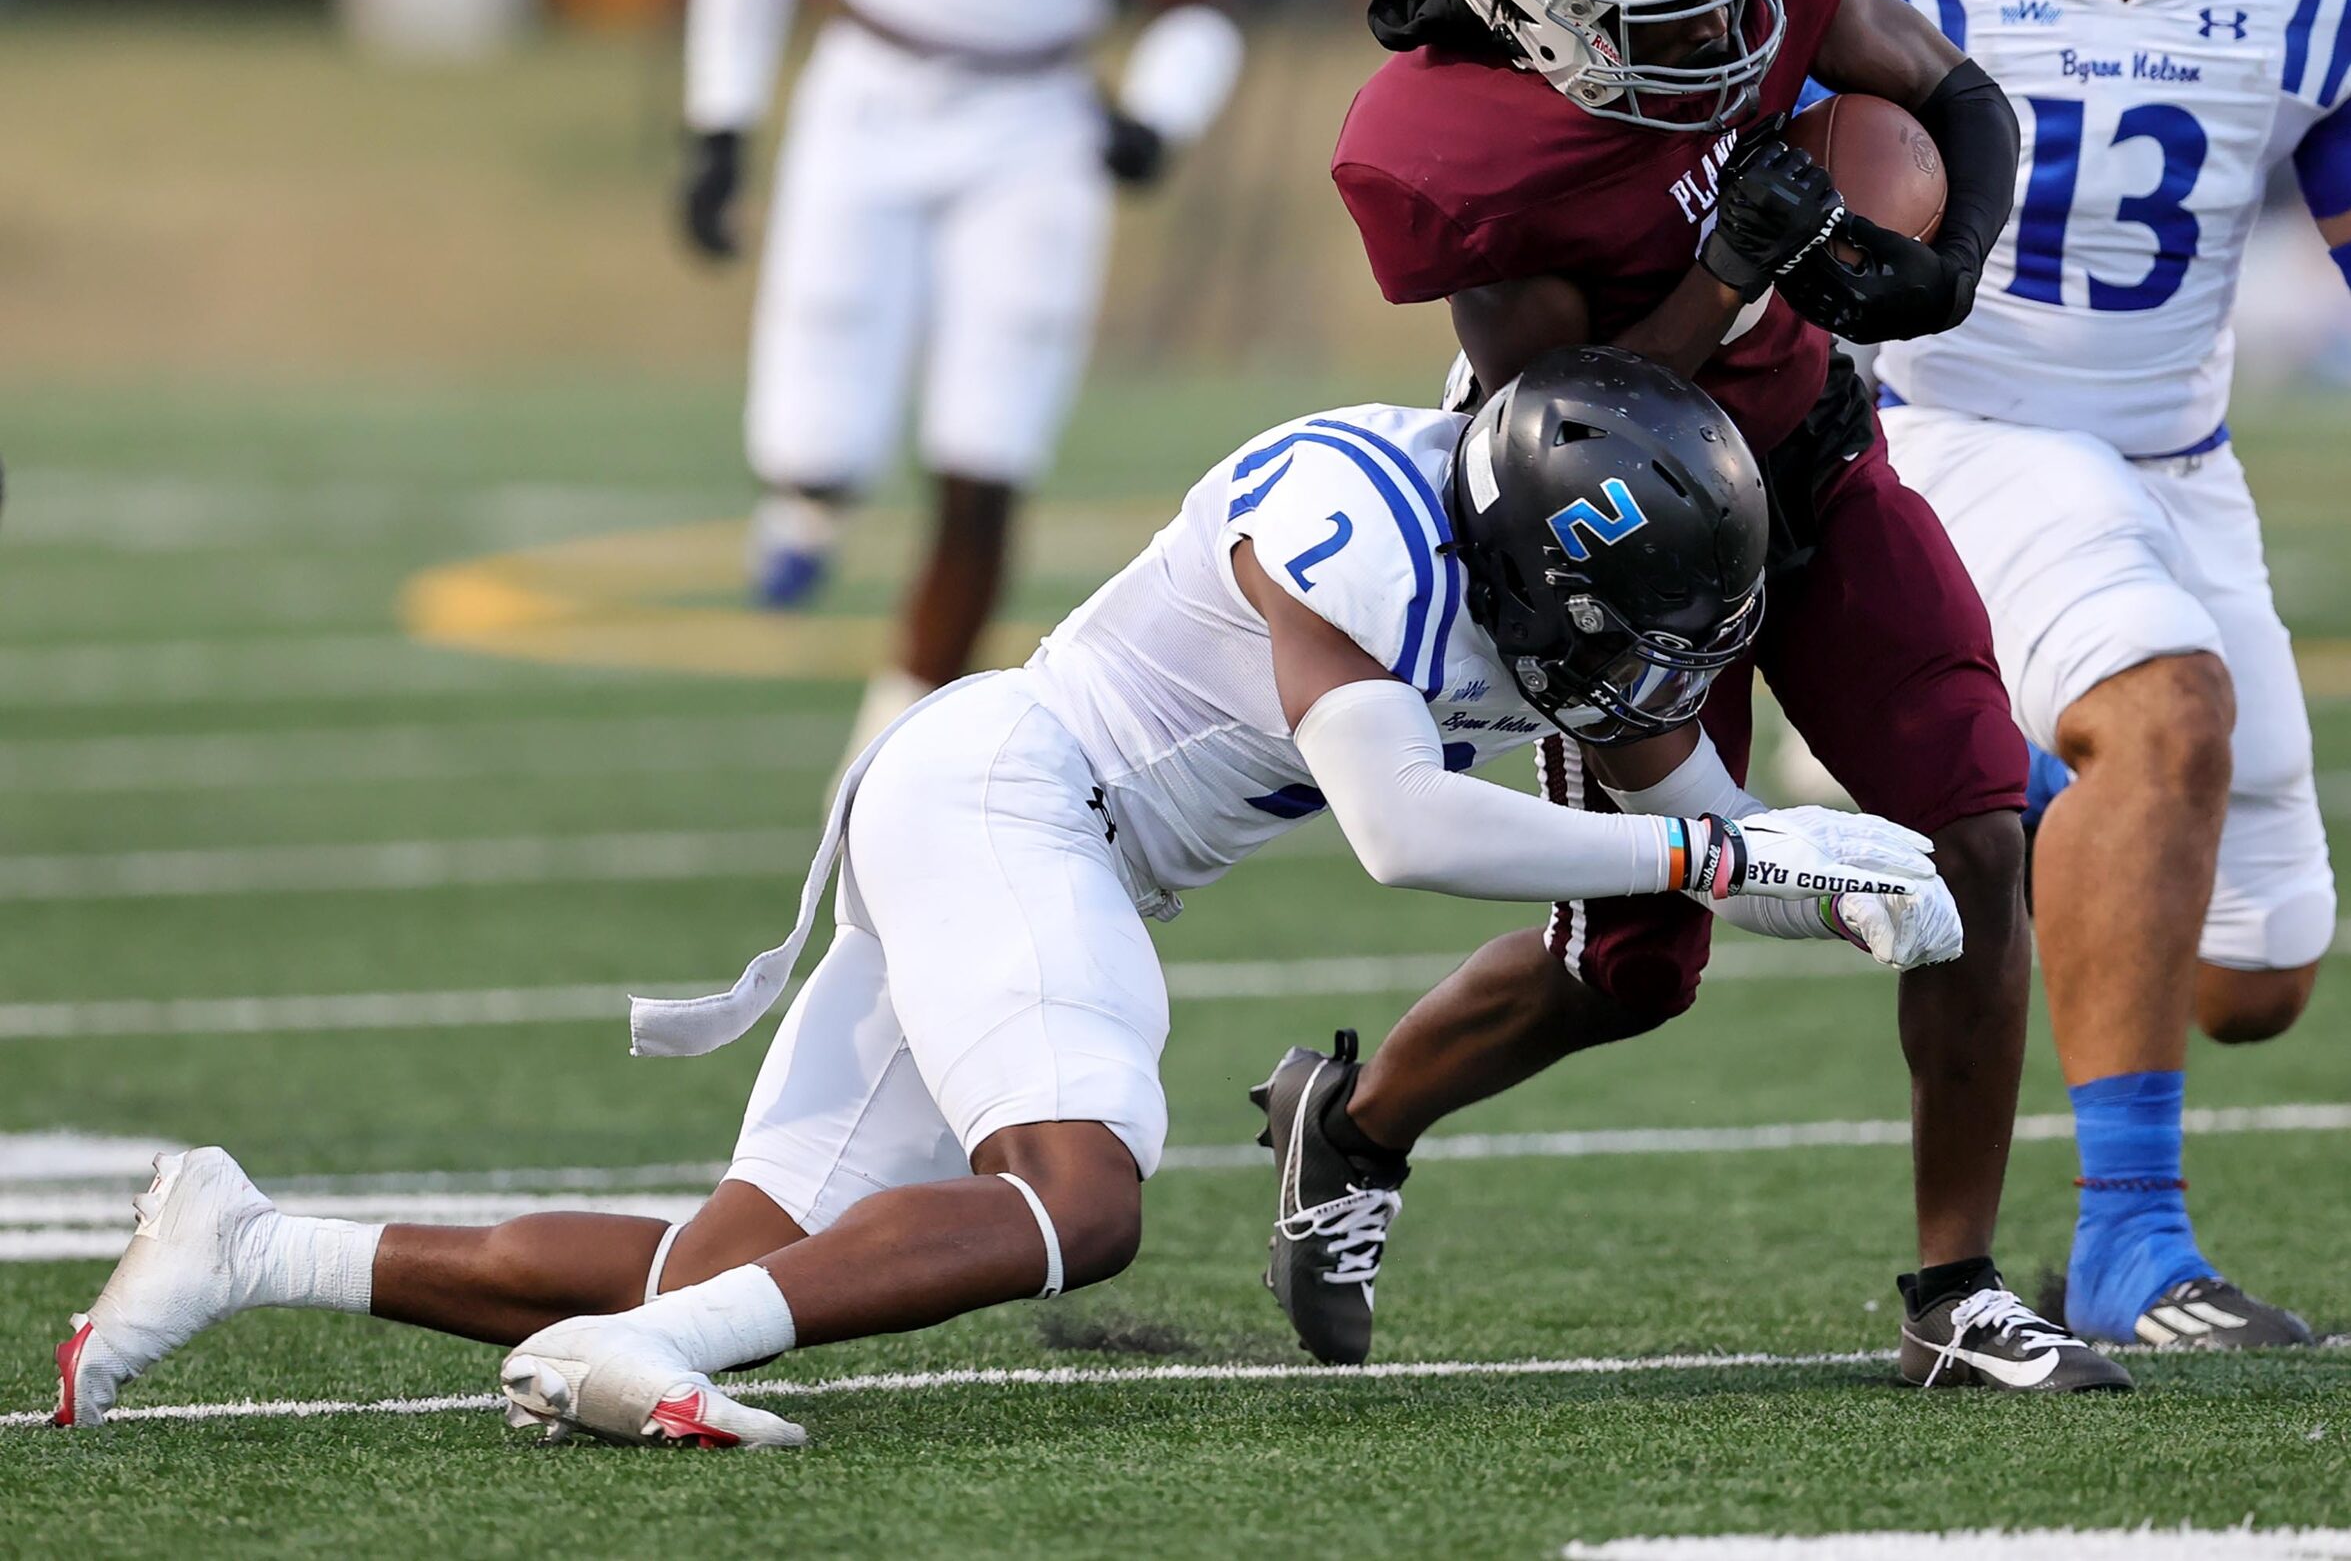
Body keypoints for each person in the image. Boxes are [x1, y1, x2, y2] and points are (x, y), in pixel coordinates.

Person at [52, 353, 1961, 1445]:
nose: (1635, 684)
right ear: (1548, 555)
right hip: (1013, 796)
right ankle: (652, 1364)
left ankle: (258, 1243)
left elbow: (1709, 822)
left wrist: (1856, 877)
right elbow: (1408, 829)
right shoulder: (1355, 517)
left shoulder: (1533, 571)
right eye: (1624, 638)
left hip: (1022, 829)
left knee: (716, 1266)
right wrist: (1732, 853)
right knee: (1082, 1193)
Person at [1257, 0, 2131, 1391]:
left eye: (1740, 0)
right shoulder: (1451, 150)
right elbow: (1571, 423)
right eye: (1676, 29)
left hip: (1809, 452)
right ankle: (1355, 1117)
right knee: (1635, 965)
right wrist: (1733, 271)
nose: (1737, 49)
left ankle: (1955, 1286)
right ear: (1534, 3)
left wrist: (1932, 267)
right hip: (1616, 531)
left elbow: (1952, 93)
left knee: (1974, 832)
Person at [1819, 0, 2338, 1350]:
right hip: (1959, 427)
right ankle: (2131, 1242)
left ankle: (2013, 786)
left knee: (2255, 979)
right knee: (2163, 710)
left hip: (2181, 454)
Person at [680, 0, 1246, 767]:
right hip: (871, 84)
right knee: (819, 421)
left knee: (989, 452)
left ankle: (885, 759)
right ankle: (809, 496)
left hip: (1036, 112)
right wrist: (719, 121)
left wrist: (1158, 112)